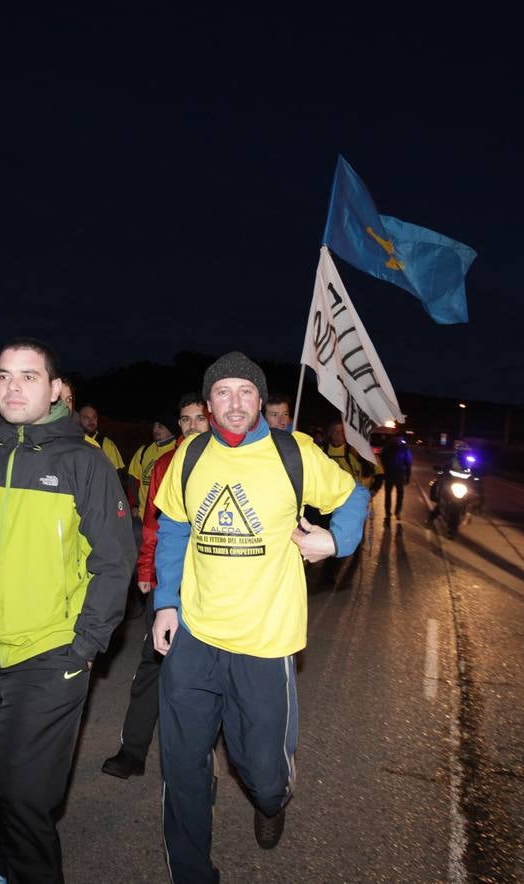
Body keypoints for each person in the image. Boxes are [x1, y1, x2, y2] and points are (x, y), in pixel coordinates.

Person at [152, 352, 369, 881]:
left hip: (265, 644)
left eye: (245, 392)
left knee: (263, 775)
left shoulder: (294, 453)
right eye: (222, 392)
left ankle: (272, 803)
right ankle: (191, 871)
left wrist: (336, 539)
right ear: (207, 403)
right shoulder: (191, 454)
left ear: (261, 400)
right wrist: (165, 601)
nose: (234, 402)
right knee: (181, 767)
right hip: (196, 638)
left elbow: (354, 495)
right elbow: (175, 528)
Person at [0, 338, 135, 884]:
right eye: (3, 376)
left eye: (28, 376)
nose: (13, 387)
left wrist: (84, 646)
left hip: (50, 656)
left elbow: (114, 562)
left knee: (25, 793)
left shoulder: (85, 463)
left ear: (55, 389)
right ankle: (9, 867)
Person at [102, 394, 210, 780]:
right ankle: (133, 751)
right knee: (152, 663)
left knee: (203, 678)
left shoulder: (229, 463)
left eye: (200, 418)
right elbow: (152, 523)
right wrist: (146, 569)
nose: (192, 426)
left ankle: (199, 765)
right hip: (170, 584)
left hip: (212, 589)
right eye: (185, 420)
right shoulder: (166, 464)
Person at [126, 415, 178, 520]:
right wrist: (134, 505)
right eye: (154, 426)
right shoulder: (144, 451)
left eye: (160, 426)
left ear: (170, 429)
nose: (155, 429)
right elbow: (133, 480)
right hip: (143, 516)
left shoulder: (178, 450)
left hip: (168, 518)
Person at [78, 403, 126, 475]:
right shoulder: (71, 441)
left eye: (94, 417)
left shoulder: (107, 445)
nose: (91, 421)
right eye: (86, 418)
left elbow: (117, 476)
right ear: (78, 420)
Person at [381, 435, 413, 522]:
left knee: (388, 494)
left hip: (390, 474)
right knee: (399, 494)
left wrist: (384, 472)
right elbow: (408, 463)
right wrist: (407, 476)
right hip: (398, 474)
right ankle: (397, 513)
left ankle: (388, 514)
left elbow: (382, 459)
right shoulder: (404, 447)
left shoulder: (387, 446)